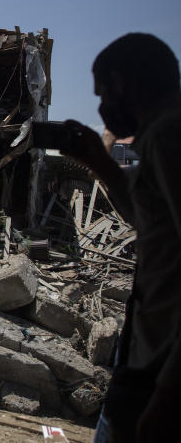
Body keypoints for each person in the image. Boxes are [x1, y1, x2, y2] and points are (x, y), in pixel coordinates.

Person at [62, 33, 181, 443]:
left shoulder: (169, 136)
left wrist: (168, 392)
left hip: (161, 366)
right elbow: (154, 222)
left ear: (121, 83)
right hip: (148, 353)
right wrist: (100, 163)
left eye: (103, 94)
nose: (101, 106)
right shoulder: (158, 138)